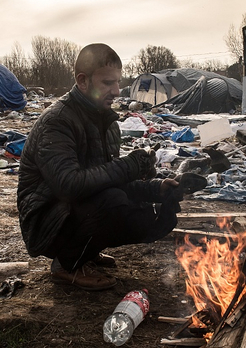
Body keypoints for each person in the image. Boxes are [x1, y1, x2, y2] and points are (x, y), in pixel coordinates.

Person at [17, 43, 204, 291]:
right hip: (45, 222)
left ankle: (87, 251)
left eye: (117, 82)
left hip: (69, 211)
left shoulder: (105, 122)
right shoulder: (58, 121)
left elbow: (106, 178)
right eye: (107, 83)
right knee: (113, 202)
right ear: (82, 81)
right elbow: (68, 185)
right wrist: (129, 166)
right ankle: (66, 264)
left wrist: (156, 189)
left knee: (129, 202)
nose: (117, 91)